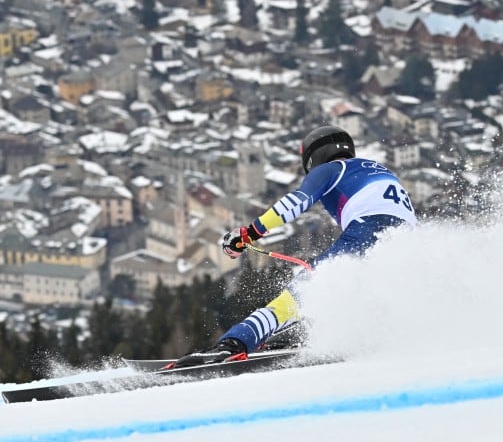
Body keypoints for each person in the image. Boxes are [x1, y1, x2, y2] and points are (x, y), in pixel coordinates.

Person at [172, 125, 416, 366]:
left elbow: (293, 204)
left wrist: (248, 234)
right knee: (355, 289)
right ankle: (357, 336)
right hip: (404, 244)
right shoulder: (377, 169)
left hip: (367, 231)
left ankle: (235, 343)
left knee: (302, 292)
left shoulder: (331, 169)